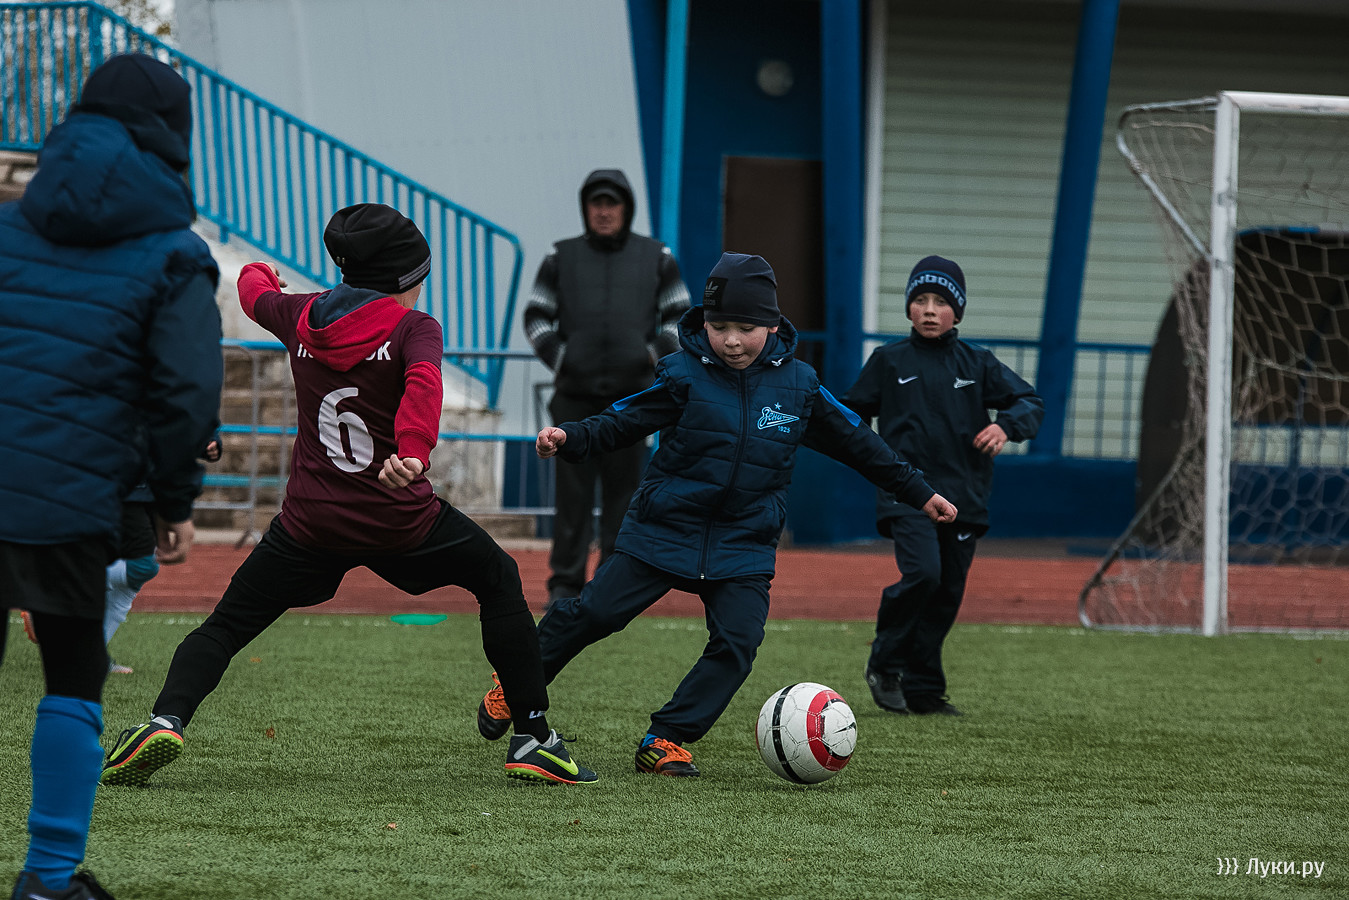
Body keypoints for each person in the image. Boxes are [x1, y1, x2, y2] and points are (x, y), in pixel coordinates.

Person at [100, 203, 597, 789]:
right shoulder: (415, 327)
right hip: (397, 518)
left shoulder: (300, 314)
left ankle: (165, 719)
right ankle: (533, 737)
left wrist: (260, 269)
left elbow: (253, 293)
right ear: (405, 278)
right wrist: (413, 450)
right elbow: (423, 382)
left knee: (226, 625)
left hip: (309, 523)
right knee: (498, 576)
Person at [476, 252, 957, 777]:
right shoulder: (682, 373)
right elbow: (622, 420)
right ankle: (515, 685)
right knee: (595, 613)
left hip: (744, 541)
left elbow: (860, 443)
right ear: (703, 323)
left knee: (738, 643)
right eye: (719, 326)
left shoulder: (799, 386)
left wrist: (918, 492)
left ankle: (666, 738)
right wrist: (570, 437)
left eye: (745, 328)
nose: (731, 341)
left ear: (772, 325)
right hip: (664, 527)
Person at [0, 54, 224, 900]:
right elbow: (185, 393)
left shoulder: (6, 226)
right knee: (71, 673)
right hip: (66, 497)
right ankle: (49, 880)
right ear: (174, 138)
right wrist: (173, 500)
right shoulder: (175, 251)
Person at [842, 255, 1044, 716]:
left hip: (964, 497)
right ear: (909, 308)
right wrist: (870, 456)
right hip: (907, 493)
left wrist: (1006, 426)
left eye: (941, 302)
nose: (930, 310)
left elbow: (1029, 401)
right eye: (921, 300)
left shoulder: (978, 362)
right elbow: (850, 416)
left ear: (958, 311)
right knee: (924, 575)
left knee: (947, 591)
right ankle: (884, 664)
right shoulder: (888, 360)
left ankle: (924, 689)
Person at [524, 169, 690, 603]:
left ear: (626, 208)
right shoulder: (560, 257)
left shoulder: (657, 257)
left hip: (634, 402)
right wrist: (563, 358)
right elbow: (536, 315)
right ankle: (565, 586)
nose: (603, 211)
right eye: (595, 203)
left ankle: (611, 586)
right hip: (573, 399)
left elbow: (680, 315)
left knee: (625, 498)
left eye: (611, 203)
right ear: (585, 209)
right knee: (571, 499)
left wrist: (651, 356)